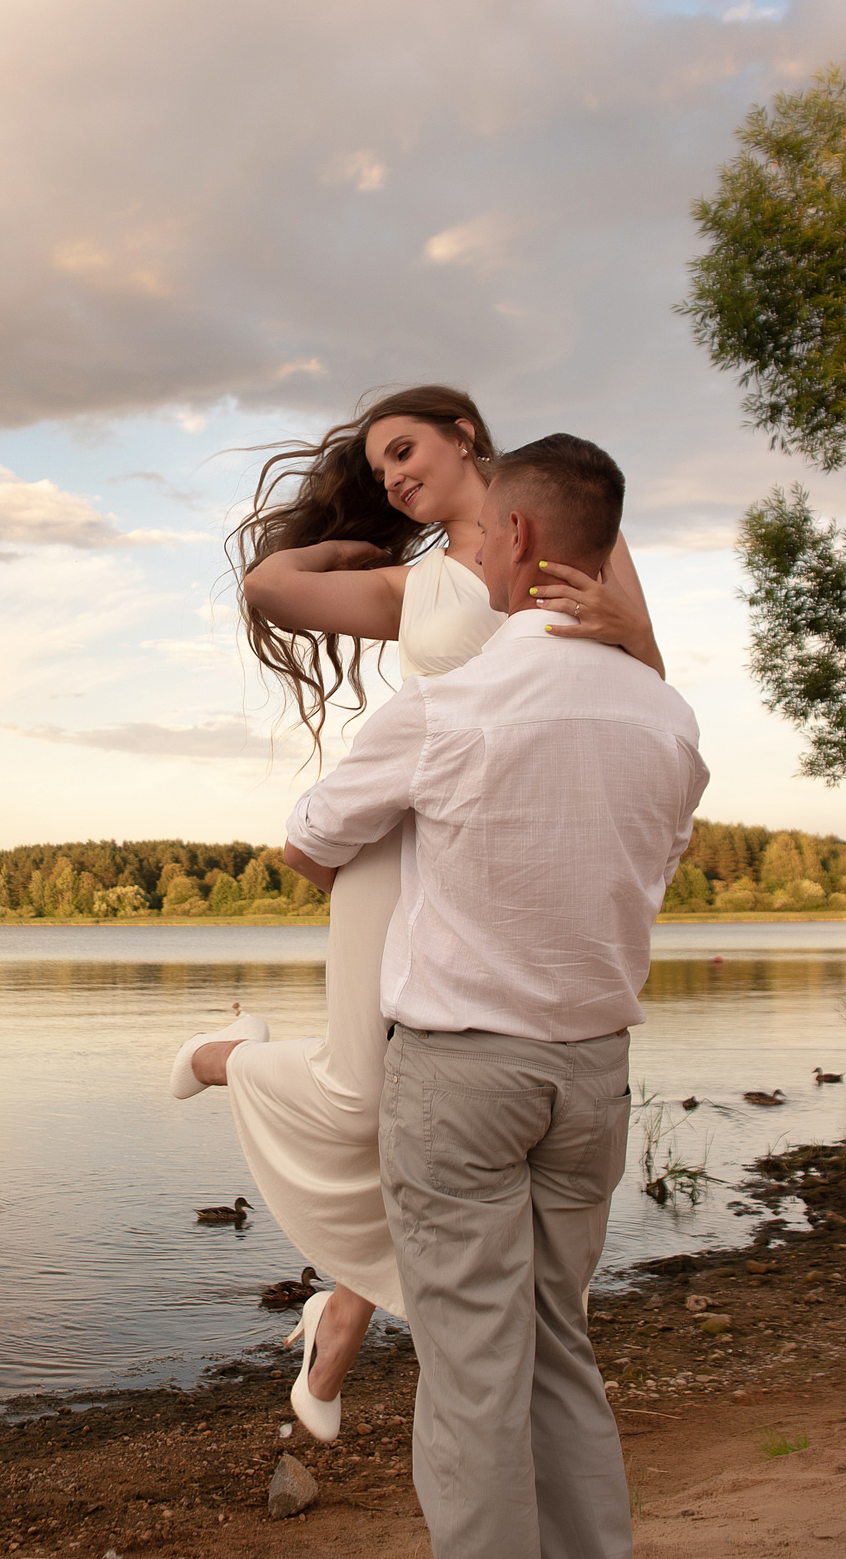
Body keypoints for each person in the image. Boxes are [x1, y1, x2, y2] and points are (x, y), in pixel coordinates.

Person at [168, 386, 663, 1443]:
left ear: (467, 434)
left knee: (443, 1115)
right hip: (400, 846)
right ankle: (229, 1055)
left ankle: (340, 1321)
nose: (392, 472)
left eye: (405, 450)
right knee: (359, 1097)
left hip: (516, 860)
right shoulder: (416, 582)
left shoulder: (578, 533)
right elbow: (269, 585)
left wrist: (633, 632)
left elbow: (648, 690)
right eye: (378, 464)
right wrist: (365, 544)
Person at [279, 433, 707, 1558]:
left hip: (464, 1072)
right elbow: (657, 850)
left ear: (512, 537)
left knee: (472, 1368)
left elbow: (311, 843)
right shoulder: (668, 718)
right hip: (593, 1073)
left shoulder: (450, 706)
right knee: (555, 1342)